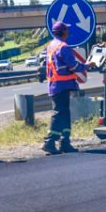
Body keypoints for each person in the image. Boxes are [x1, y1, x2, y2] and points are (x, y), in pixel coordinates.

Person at [43, 21, 85, 154]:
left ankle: (65, 141)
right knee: (60, 113)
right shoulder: (63, 47)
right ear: (63, 32)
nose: (69, 31)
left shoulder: (51, 46)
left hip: (55, 85)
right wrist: (87, 65)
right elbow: (73, 66)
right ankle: (49, 141)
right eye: (67, 29)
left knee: (65, 113)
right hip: (62, 85)